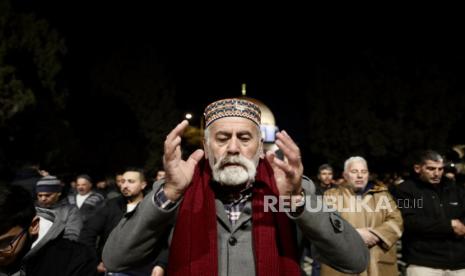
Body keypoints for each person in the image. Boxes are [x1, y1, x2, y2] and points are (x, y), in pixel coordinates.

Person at [102, 98, 369, 275]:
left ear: (259, 147)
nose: (233, 148)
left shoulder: (290, 188)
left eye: (244, 138)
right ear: (206, 146)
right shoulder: (176, 190)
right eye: (221, 138)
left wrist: (297, 200)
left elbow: (354, 260)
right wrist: (169, 194)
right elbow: (115, 259)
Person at [321, 156, 403, 276]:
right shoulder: (331, 196)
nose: (360, 176)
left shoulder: (383, 195)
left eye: (363, 172)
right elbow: (324, 225)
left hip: (377, 265)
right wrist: (355, 235)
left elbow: (397, 221)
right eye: (354, 171)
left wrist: (376, 234)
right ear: (345, 175)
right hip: (343, 265)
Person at [79, 168, 166, 275]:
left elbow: (165, 238)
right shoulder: (111, 205)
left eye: (131, 181)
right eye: (122, 181)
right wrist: (95, 260)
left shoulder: (154, 207)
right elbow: (88, 232)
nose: (124, 185)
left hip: (145, 268)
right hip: (113, 268)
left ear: (143, 185)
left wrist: (161, 264)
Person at [391, 150, 465, 275]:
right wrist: (450, 225)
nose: (437, 173)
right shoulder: (405, 191)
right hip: (423, 264)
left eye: (440, 169)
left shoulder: (454, 189)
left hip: (459, 263)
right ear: (417, 168)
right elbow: (411, 222)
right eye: (431, 169)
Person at [0, 183, 97, 275]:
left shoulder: (76, 261)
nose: (43, 198)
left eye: (4, 243)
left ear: (34, 226)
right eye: (40, 195)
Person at [35, 175, 83, 241]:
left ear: (58, 193)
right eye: (40, 195)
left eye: (48, 195)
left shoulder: (71, 211)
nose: (43, 198)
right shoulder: (33, 209)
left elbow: (72, 236)